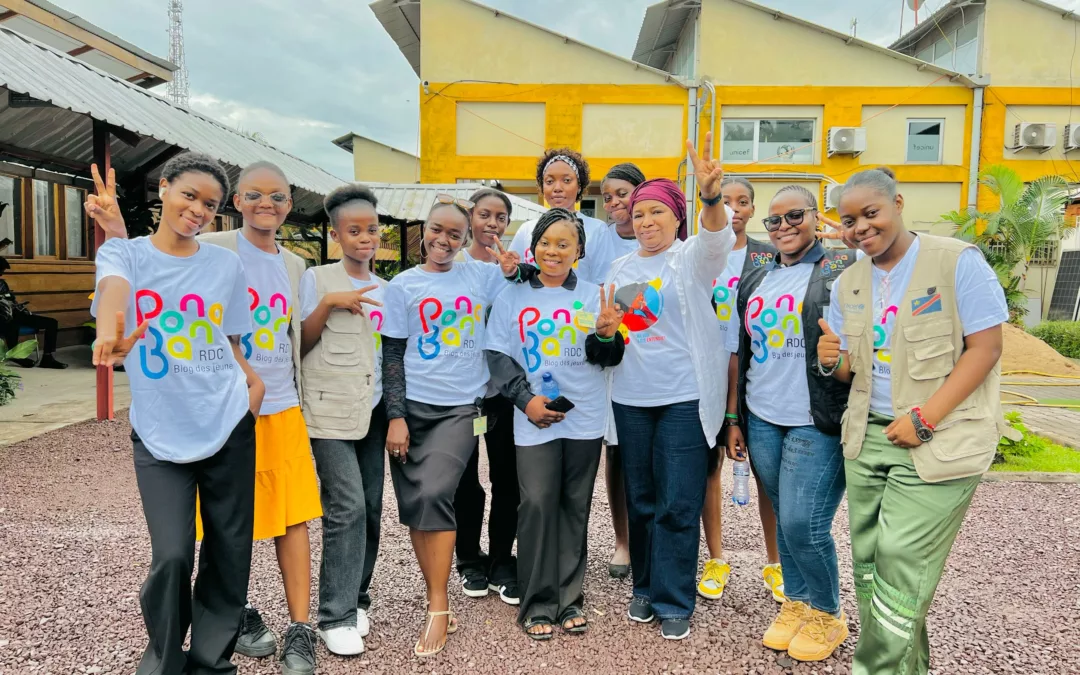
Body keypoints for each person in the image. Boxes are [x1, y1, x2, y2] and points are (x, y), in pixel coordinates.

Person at [820, 167, 1010, 675]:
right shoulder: (849, 282)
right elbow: (848, 373)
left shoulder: (955, 262)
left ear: (898, 203)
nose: (860, 228)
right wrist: (828, 358)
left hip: (938, 438)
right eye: (849, 220)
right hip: (868, 437)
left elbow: (986, 348)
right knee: (870, 570)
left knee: (901, 563)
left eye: (870, 213)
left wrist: (925, 418)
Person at [88, 152, 264, 675]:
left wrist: (251, 385)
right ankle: (164, 660)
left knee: (230, 552)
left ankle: (212, 660)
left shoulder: (225, 264)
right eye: (189, 195)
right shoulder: (126, 254)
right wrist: (108, 335)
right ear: (164, 189)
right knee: (171, 555)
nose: (198, 210)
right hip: (160, 431)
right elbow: (114, 291)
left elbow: (229, 336)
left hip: (228, 421)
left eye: (210, 204)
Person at [186, 162, 323, 675]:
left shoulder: (295, 264)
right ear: (236, 201)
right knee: (224, 518)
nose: (267, 204)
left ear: (290, 203)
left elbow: (292, 337)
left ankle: (300, 629)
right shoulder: (213, 248)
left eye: (278, 196)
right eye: (255, 195)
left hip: (283, 406)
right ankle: (232, 612)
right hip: (227, 407)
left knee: (293, 517)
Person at [380, 196, 523, 657]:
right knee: (417, 503)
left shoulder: (479, 275)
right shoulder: (401, 286)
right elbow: (393, 355)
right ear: (424, 230)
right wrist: (396, 416)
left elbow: (519, 290)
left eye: (455, 234)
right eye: (437, 230)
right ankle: (436, 596)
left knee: (437, 492)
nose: (444, 240)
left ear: (466, 239)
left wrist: (512, 270)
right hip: (413, 408)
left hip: (462, 406)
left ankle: (438, 606)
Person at [606, 134, 734, 641]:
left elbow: (717, 240)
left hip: (683, 397)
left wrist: (709, 196)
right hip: (632, 398)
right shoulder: (619, 269)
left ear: (677, 218)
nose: (646, 222)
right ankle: (644, 585)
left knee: (678, 501)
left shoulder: (691, 258)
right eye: (639, 214)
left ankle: (675, 598)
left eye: (657, 212)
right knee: (640, 496)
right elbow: (610, 330)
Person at [725, 185, 855, 662]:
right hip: (763, 415)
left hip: (814, 418)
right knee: (783, 513)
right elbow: (745, 347)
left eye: (794, 216)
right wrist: (736, 416)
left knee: (806, 521)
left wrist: (855, 242)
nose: (783, 228)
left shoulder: (841, 267)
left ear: (816, 217)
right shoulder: (758, 274)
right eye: (774, 221)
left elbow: (897, 265)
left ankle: (827, 611)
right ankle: (797, 603)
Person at [486, 208, 625, 640]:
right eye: (546, 243)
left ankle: (569, 600)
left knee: (573, 507)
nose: (553, 251)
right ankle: (537, 601)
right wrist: (525, 401)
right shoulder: (513, 295)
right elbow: (497, 356)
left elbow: (607, 359)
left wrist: (606, 335)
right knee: (537, 504)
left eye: (564, 244)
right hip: (533, 419)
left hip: (582, 417)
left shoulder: (593, 295)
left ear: (578, 251)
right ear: (534, 248)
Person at [298, 184, 384, 657]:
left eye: (371, 229)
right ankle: (335, 615)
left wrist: (396, 416)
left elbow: (388, 357)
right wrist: (330, 304)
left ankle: (357, 595)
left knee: (370, 506)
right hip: (326, 414)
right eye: (354, 230)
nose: (364, 237)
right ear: (336, 234)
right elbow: (301, 345)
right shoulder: (314, 280)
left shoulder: (385, 288)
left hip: (372, 412)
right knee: (345, 506)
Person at [698, 177, 784, 603]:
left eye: (743, 201)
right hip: (706, 375)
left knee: (766, 470)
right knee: (708, 469)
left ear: (753, 209)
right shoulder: (698, 253)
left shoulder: (770, 257)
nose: (734, 208)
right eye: (725, 200)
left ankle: (776, 563)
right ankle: (716, 557)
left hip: (756, 375)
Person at [451, 188, 522, 604]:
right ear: (470, 217)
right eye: (484, 215)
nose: (491, 224)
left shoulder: (511, 269)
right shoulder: (451, 265)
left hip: (501, 392)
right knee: (465, 484)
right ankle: (469, 559)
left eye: (500, 217)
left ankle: (501, 560)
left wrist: (514, 274)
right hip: (460, 393)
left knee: (507, 480)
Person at [597, 163, 644, 579]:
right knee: (616, 451)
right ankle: (623, 541)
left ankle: (654, 537)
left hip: (656, 362)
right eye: (607, 196)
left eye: (623, 193)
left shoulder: (666, 237)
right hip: (612, 358)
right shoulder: (598, 240)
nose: (615, 202)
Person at [509, 148, 614, 284]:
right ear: (542, 187)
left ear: (579, 186)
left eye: (566, 180)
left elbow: (603, 281)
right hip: (534, 305)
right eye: (549, 181)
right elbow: (514, 275)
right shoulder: (527, 229)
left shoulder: (597, 229)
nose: (557, 188)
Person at [0, 256, 67, 368]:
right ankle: (15, 355)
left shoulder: (2, 284)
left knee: (51, 323)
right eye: (0, 271)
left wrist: (17, 305)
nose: (2, 274)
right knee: (11, 323)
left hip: (14, 314)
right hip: (3, 319)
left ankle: (47, 357)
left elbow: (11, 300)